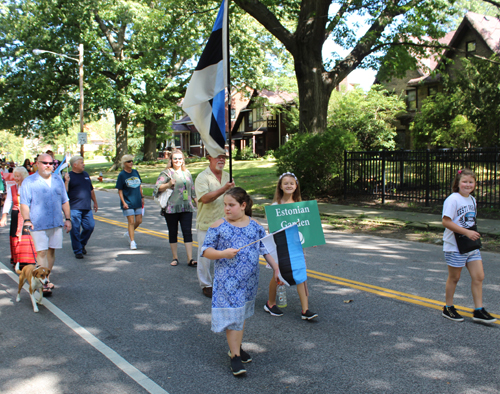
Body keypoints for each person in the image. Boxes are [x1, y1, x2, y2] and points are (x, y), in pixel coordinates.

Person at [201, 187, 280, 376]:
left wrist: (276, 268)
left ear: (243, 205)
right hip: (228, 282)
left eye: (231, 205)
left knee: (241, 315)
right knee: (234, 317)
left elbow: (265, 248)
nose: (226, 209)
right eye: (225, 205)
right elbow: (206, 250)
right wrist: (223, 253)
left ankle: (236, 347)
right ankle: (235, 356)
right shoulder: (218, 226)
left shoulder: (254, 225)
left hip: (249, 281)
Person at [441, 168, 496, 324]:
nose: (467, 184)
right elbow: (446, 221)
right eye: (464, 181)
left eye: (470, 182)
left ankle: (478, 310)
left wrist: (470, 234)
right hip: (455, 246)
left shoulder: (472, 199)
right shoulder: (453, 199)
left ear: (475, 184)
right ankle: (448, 307)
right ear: (458, 183)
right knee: (455, 277)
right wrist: (466, 232)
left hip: (470, 244)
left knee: (479, 276)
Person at [264, 172, 318, 320]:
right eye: (285, 183)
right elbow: (271, 230)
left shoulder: (301, 206)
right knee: (278, 275)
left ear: (296, 186)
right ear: (280, 186)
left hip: (297, 246)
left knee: (301, 275)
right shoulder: (275, 206)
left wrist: (310, 239)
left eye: (291, 183)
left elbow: (307, 227)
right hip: (280, 246)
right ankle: (271, 303)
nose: (289, 185)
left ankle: (305, 309)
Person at [20, 153, 72, 295]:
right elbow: (24, 203)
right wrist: (27, 220)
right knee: (42, 251)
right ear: (37, 163)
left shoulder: (57, 180)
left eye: (51, 163)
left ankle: (45, 278)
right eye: (45, 163)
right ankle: (44, 283)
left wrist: (68, 219)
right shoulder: (29, 181)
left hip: (55, 222)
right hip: (37, 223)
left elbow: (64, 200)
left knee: (51, 250)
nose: (48, 166)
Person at [195, 154, 235, 297]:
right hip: (207, 223)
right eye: (218, 156)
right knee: (205, 256)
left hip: (225, 223)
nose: (222, 159)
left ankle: (223, 282)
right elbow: (205, 199)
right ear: (209, 158)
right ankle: (206, 284)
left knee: (225, 254)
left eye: (224, 157)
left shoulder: (228, 175)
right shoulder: (202, 177)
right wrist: (224, 188)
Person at [153, 149, 197, 266]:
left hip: (186, 207)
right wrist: (168, 184)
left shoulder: (187, 173)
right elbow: (157, 188)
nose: (177, 160)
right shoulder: (166, 173)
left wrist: (196, 201)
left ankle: (190, 259)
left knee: (187, 232)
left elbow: (192, 190)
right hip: (171, 208)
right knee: (173, 232)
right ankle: (175, 258)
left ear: (183, 160)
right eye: (175, 158)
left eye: (180, 158)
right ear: (171, 160)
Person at [0, 166, 36, 267]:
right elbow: (8, 202)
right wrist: (4, 216)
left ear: (24, 176)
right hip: (16, 214)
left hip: (28, 214)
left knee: (27, 237)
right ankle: (17, 260)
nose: (16, 178)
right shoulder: (12, 188)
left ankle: (27, 261)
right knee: (15, 236)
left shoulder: (30, 187)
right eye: (15, 176)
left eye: (18, 176)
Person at [64, 155, 98, 259]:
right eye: (81, 162)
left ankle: (81, 244)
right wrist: (66, 181)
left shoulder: (86, 175)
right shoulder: (68, 176)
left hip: (86, 208)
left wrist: (95, 202)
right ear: (74, 165)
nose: (84, 164)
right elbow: (64, 193)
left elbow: (91, 190)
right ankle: (78, 250)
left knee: (90, 227)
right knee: (75, 230)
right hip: (74, 208)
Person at [116, 154, 143, 250]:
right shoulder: (122, 175)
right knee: (131, 222)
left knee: (139, 221)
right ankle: (132, 241)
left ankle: (128, 233)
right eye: (128, 161)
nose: (131, 163)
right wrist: (123, 202)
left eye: (131, 161)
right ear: (124, 163)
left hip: (137, 200)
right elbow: (120, 190)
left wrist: (142, 197)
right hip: (128, 201)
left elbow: (139, 185)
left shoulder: (135, 172)